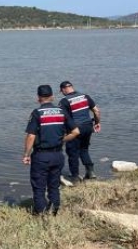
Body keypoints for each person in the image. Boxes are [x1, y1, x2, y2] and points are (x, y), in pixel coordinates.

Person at [23, 85, 80, 215]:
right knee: (54, 185)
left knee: (39, 186)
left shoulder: (37, 113)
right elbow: (76, 131)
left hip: (41, 156)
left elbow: (31, 136)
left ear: (38, 98)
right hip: (58, 155)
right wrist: (62, 140)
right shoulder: (61, 111)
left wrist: (26, 154)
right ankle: (54, 211)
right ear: (52, 97)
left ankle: (41, 214)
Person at [58, 81, 102, 182]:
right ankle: (90, 172)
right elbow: (96, 111)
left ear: (63, 89)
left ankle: (75, 176)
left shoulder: (64, 101)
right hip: (88, 127)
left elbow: (62, 118)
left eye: (61, 91)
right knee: (84, 149)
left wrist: (62, 132)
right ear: (72, 87)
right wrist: (97, 122)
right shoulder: (85, 96)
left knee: (72, 152)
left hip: (75, 129)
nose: (62, 93)